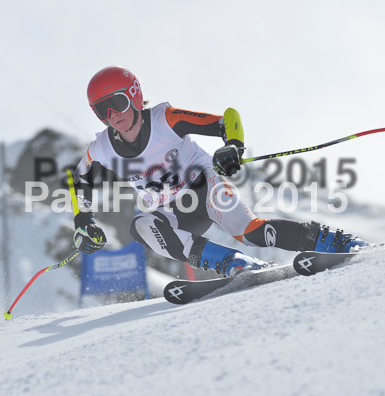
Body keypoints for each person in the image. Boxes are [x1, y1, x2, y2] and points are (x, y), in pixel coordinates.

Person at [73, 66, 368, 277]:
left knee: (250, 232)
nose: (113, 116)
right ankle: (233, 263)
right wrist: (83, 219)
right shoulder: (102, 147)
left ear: (135, 96)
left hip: (205, 187)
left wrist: (233, 146)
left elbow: (228, 119)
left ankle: (337, 242)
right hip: (174, 212)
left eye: (117, 103)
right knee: (141, 226)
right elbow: (80, 176)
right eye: (102, 110)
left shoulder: (165, 120)